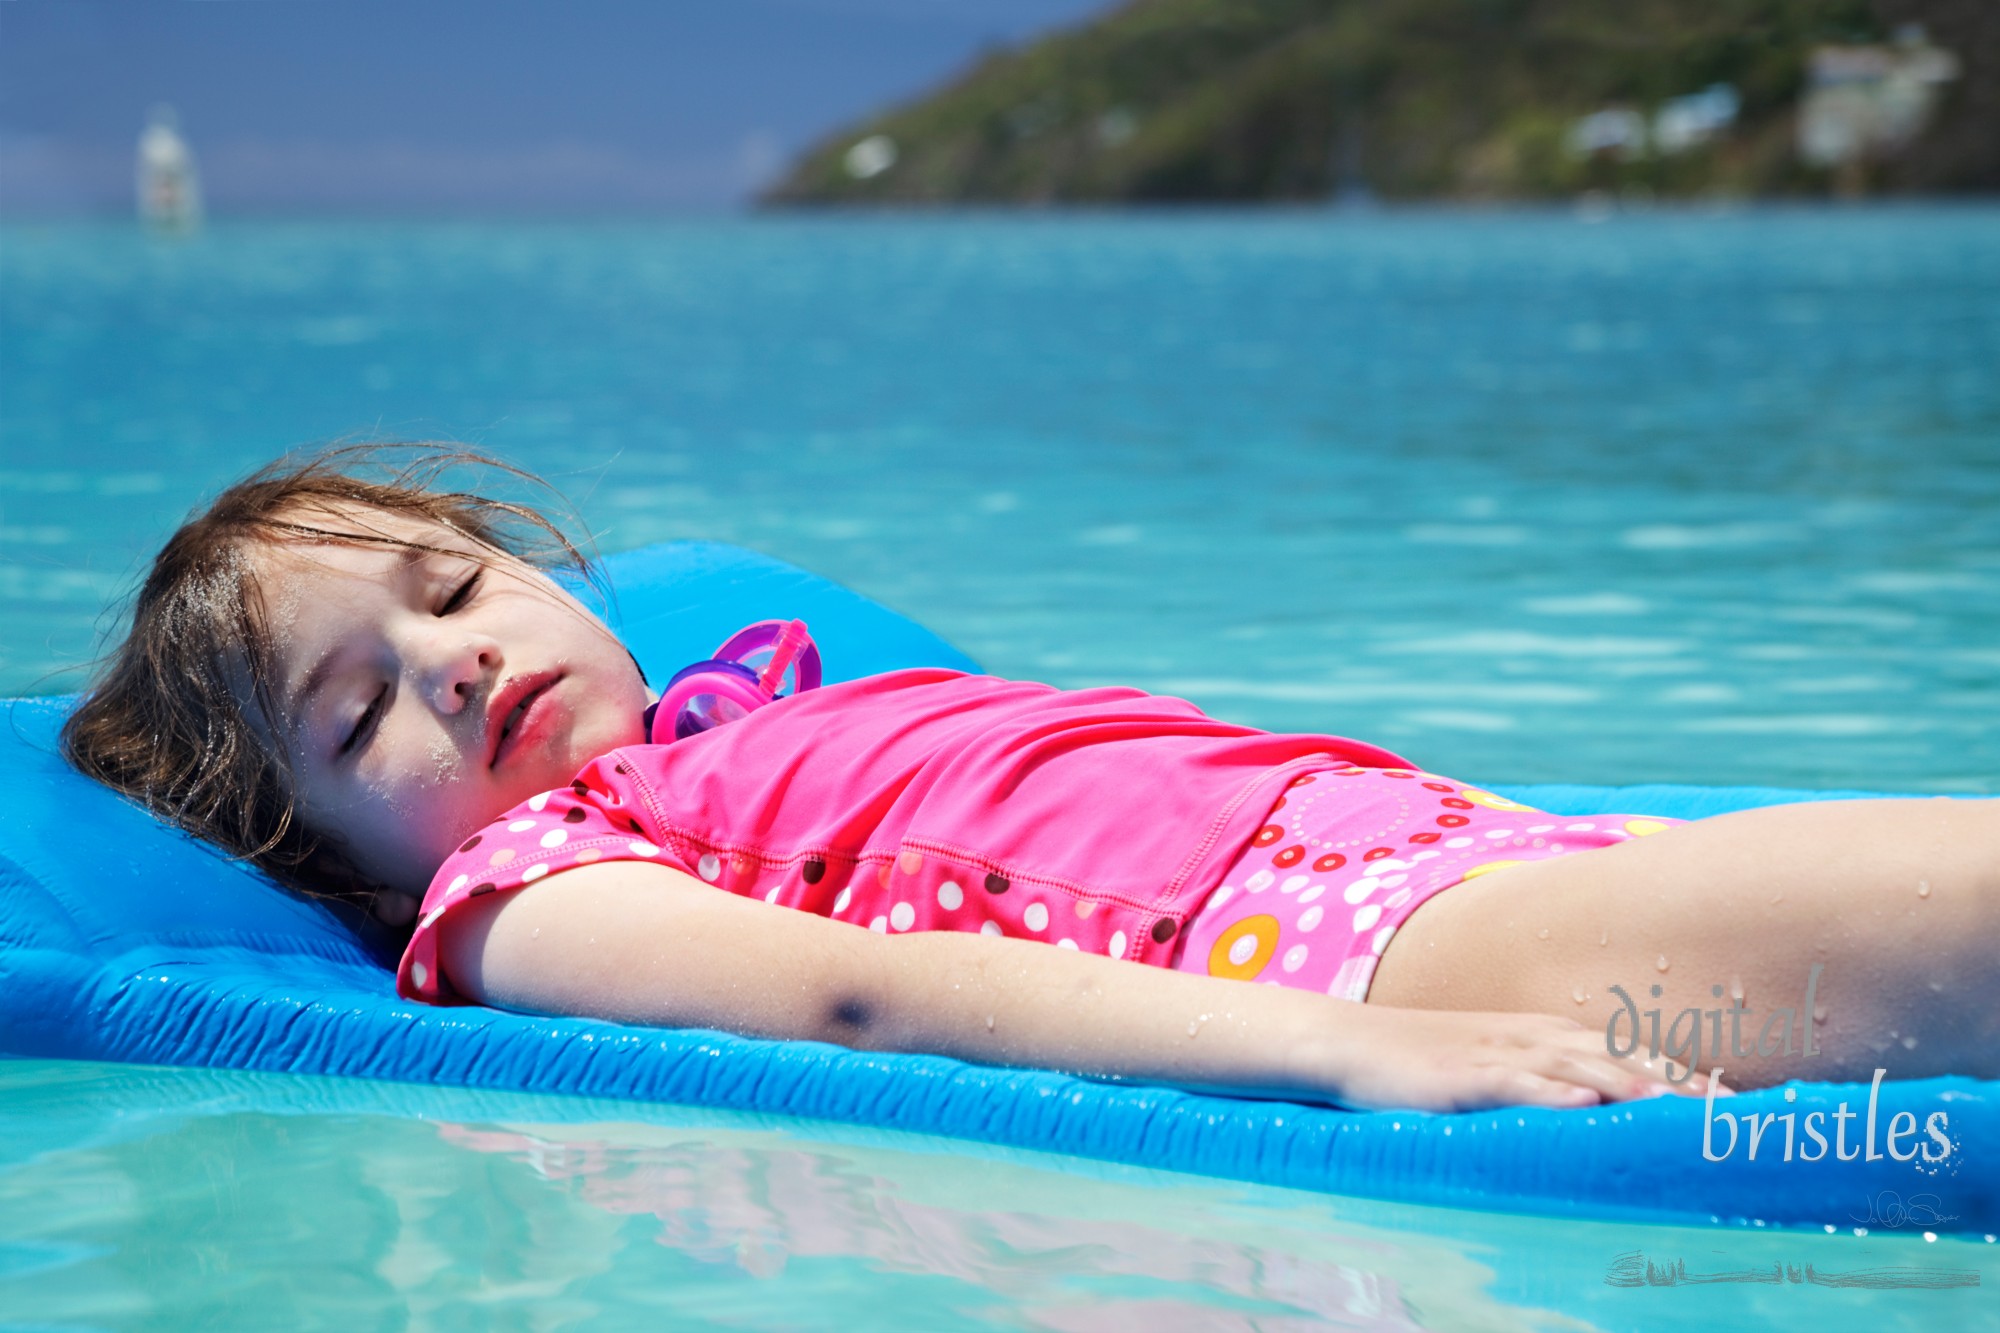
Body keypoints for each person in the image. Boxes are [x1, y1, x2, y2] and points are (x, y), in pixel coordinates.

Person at [63, 448, 1997, 1114]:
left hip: (1462, 856)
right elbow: (855, 989)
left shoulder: (747, 700)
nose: (453, 659)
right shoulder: (536, 890)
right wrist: (1344, 1051)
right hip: (1353, 952)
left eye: (452, 588)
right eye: (357, 714)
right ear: (319, 846)